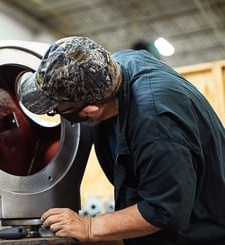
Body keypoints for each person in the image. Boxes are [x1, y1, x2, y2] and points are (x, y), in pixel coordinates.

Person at [19, 36, 225, 244]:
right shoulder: (115, 67)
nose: (57, 113)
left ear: (91, 110)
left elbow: (164, 209)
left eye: (57, 110)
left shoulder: (156, 124)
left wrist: (89, 227)